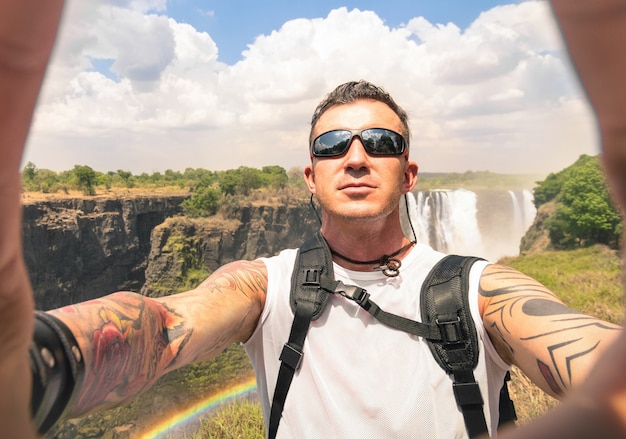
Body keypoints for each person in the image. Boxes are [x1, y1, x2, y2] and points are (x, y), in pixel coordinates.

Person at [1, 1, 626, 438]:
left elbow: (580, 345)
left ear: (410, 175)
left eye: (381, 141)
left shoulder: (480, 289)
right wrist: (35, 363)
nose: (356, 157)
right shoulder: (264, 287)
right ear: (310, 177)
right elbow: (164, 325)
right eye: (332, 147)